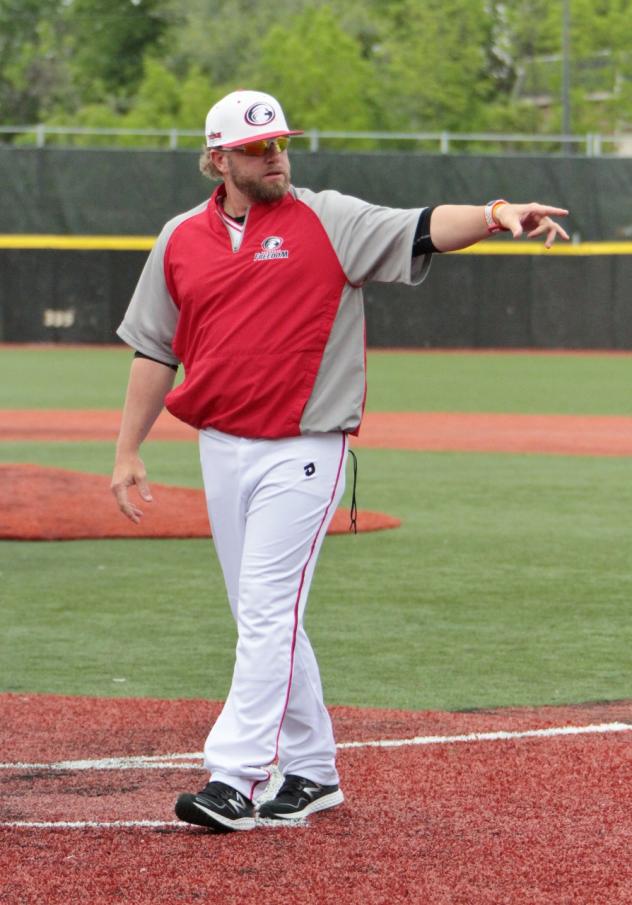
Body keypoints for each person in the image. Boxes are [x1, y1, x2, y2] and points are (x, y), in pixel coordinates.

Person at [111, 89, 569, 833]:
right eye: (258, 147)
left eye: (280, 142)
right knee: (262, 614)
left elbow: (421, 227)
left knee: (265, 610)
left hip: (304, 447)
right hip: (221, 448)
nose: (275, 155)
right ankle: (314, 770)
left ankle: (234, 777)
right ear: (219, 158)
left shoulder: (328, 219)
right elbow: (154, 348)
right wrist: (128, 448)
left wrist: (493, 215)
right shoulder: (179, 239)